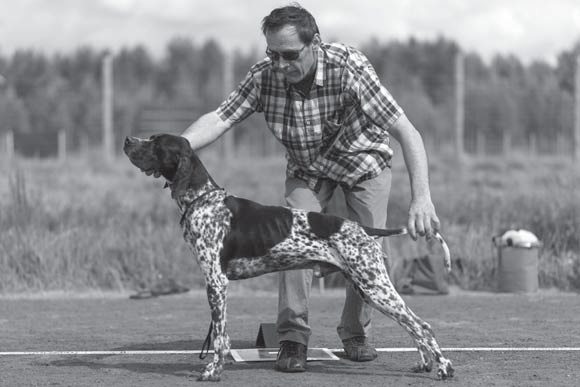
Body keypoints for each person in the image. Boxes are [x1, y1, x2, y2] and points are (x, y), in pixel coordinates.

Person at [181, 4, 440, 373]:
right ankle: (292, 339)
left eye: (289, 55)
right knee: (287, 242)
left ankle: (355, 333)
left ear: (314, 44)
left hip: (364, 167)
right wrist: (180, 146)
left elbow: (406, 132)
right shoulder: (263, 78)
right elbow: (220, 119)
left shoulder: (349, 68)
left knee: (365, 257)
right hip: (308, 172)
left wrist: (422, 197)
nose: (280, 65)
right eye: (272, 54)